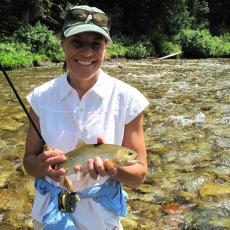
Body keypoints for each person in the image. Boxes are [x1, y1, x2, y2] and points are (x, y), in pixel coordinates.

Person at [23, 4, 149, 230]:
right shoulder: (40, 97)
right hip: (49, 214)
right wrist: (41, 167)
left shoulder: (129, 99)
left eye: (95, 44)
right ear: (62, 43)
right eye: (77, 43)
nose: (87, 53)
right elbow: (29, 162)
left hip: (102, 219)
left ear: (106, 48)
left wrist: (114, 170)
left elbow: (139, 174)